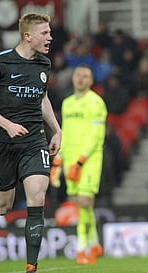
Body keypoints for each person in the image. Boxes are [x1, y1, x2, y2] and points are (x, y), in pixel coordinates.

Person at [0, 12, 62, 273]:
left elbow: (42, 98)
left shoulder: (44, 64)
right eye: (45, 33)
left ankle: (32, 266)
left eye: (50, 32)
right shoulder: (0, 62)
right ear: (28, 36)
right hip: (3, 142)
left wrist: (56, 129)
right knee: (2, 206)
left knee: (37, 195)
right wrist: (6, 124)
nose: (50, 37)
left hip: (34, 140)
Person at [49, 64, 107, 264]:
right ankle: (95, 242)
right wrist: (58, 162)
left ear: (91, 81)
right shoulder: (67, 104)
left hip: (89, 160)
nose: (81, 78)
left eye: (86, 76)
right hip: (70, 159)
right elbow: (64, 133)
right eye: (78, 75)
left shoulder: (96, 103)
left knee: (84, 202)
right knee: (79, 203)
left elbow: (97, 135)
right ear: (73, 79)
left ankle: (83, 248)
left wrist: (81, 161)